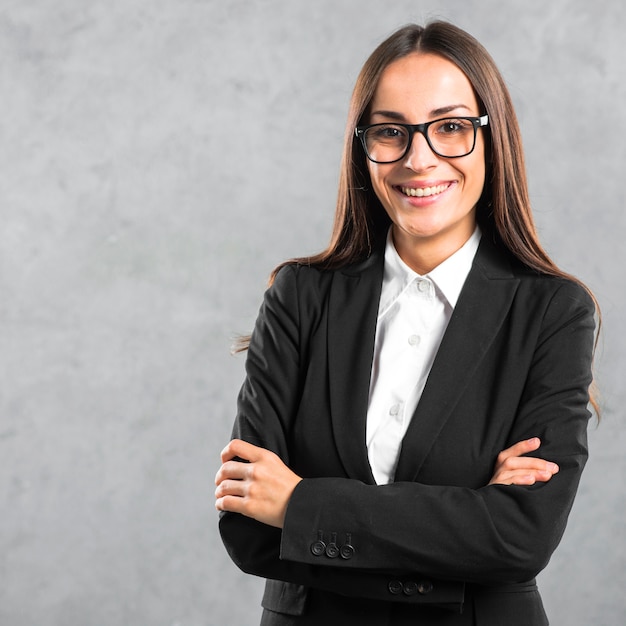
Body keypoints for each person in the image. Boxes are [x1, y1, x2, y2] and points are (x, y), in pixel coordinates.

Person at [214, 20, 598, 626]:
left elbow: (523, 536)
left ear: (492, 138)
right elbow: (248, 530)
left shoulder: (552, 311)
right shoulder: (299, 297)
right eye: (391, 132)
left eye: (450, 128)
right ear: (362, 148)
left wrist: (299, 505)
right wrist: (465, 519)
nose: (419, 160)